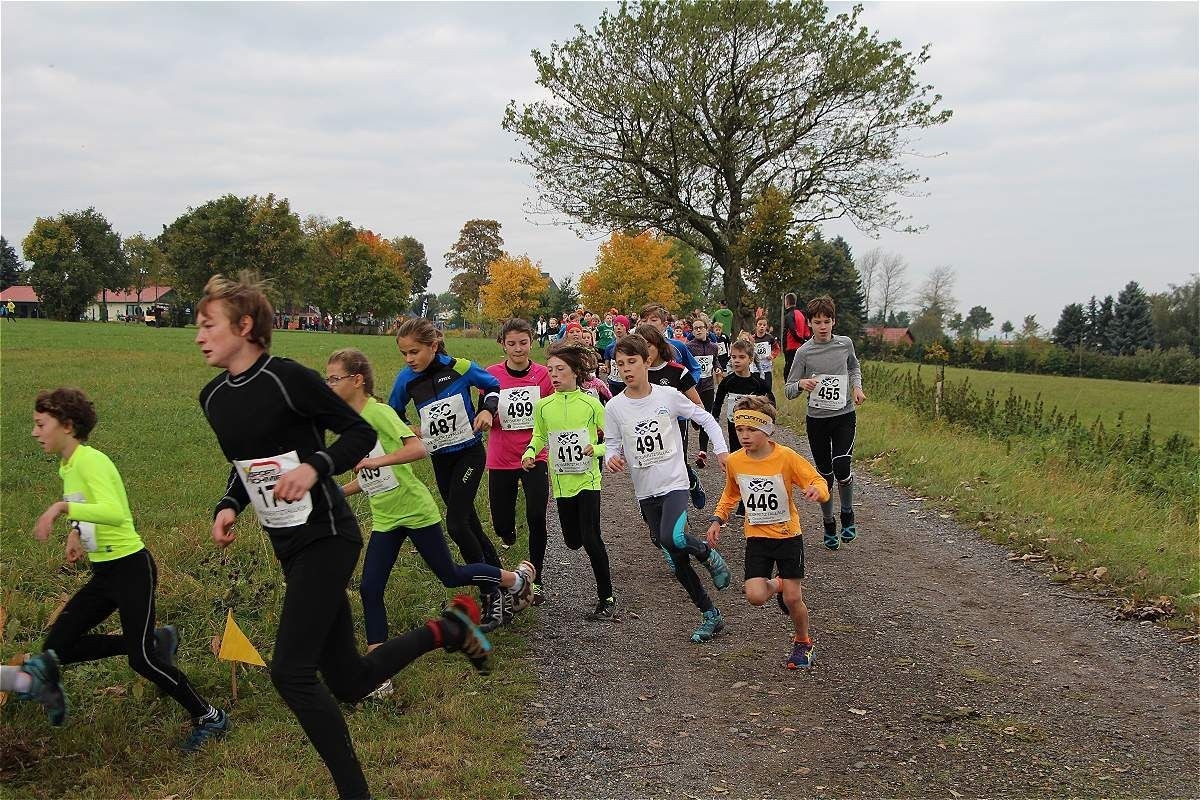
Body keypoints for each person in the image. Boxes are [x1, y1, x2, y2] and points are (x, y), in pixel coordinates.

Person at [196, 272, 492, 800]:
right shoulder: (213, 397)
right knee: (350, 681)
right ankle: (448, 629)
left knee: (290, 671)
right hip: (287, 544)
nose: (199, 336)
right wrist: (229, 504)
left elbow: (358, 433)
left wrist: (315, 467)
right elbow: (245, 464)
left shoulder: (287, 379)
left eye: (208, 324)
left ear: (244, 326)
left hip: (328, 534)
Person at [326, 347, 534, 699]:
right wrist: (337, 493)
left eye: (334, 378)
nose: (329, 385)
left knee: (450, 574)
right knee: (370, 588)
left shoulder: (378, 413)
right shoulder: (351, 422)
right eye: (327, 379)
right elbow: (369, 474)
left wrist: (377, 462)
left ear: (357, 380)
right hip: (386, 517)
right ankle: (378, 673)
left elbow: (417, 449)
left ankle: (515, 580)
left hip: (415, 510)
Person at [30, 387, 227, 750]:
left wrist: (61, 509)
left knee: (143, 661)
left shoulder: (91, 461)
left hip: (131, 569)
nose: (34, 432)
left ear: (67, 426)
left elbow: (115, 512)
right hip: (105, 573)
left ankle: (210, 717)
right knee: (58, 649)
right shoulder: (68, 465)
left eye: (41, 424)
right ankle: (157, 641)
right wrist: (75, 533)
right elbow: (88, 505)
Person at [603, 333, 733, 644]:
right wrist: (611, 458)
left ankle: (707, 553)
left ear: (647, 361)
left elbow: (705, 418)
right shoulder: (615, 407)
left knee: (672, 537)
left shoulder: (668, 396)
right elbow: (611, 444)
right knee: (675, 557)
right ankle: (710, 614)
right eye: (620, 364)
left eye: (632, 362)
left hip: (675, 482)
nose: (626, 369)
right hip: (645, 491)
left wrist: (721, 449)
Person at [389, 317, 510, 629]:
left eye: (414, 352)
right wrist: (411, 429)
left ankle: (490, 594)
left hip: (469, 454)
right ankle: (507, 587)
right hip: (441, 459)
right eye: (404, 353)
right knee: (470, 525)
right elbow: (392, 413)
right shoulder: (406, 379)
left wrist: (486, 410)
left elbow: (492, 386)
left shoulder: (459, 367)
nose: (409, 359)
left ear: (433, 346)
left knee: (456, 524)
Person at [705, 396, 828, 669]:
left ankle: (803, 642)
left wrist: (817, 492)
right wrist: (717, 520)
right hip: (757, 537)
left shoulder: (786, 457)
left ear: (768, 429)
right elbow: (730, 494)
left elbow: (817, 480)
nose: (744, 436)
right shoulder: (736, 461)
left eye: (752, 429)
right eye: (739, 429)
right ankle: (779, 583)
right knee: (755, 596)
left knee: (793, 598)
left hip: (787, 536)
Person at [522, 341, 615, 618]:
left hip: (588, 479)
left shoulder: (590, 404)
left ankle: (607, 598)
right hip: (562, 483)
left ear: (575, 372)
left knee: (591, 537)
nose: (554, 375)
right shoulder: (543, 406)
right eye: (550, 369)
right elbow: (539, 436)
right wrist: (530, 452)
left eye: (560, 369)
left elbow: (613, 440)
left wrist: (596, 449)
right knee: (573, 541)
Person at [784, 294, 867, 551]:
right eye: (817, 322)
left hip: (844, 415)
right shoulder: (803, 352)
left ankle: (847, 514)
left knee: (842, 465)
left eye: (827, 321)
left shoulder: (845, 344)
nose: (822, 327)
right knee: (825, 476)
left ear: (834, 322)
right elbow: (788, 389)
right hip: (817, 420)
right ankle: (829, 522)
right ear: (809, 323)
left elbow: (854, 368)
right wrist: (801, 384)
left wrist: (857, 387)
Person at [485, 319, 553, 603]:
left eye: (523, 343)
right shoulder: (491, 375)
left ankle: (537, 579)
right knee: (502, 524)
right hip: (501, 455)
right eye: (511, 343)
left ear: (531, 343)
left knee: (537, 516)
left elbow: (550, 410)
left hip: (535, 454)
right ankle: (508, 533)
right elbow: (485, 409)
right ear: (503, 344)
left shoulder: (542, 375)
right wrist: (487, 415)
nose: (518, 349)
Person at [633, 323, 707, 509]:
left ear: (659, 345)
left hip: (675, 424)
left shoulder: (677, 371)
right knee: (650, 467)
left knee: (677, 464)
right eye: (640, 347)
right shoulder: (636, 373)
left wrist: (694, 417)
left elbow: (698, 404)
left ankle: (690, 483)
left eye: (648, 345)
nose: (645, 352)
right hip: (647, 429)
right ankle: (654, 509)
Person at [713, 340, 776, 450]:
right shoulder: (727, 381)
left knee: (752, 451)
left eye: (741, 357)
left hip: (753, 425)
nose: (736, 361)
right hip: (734, 424)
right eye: (733, 357)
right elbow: (718, 402)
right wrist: (715, 420)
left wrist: (771, 422)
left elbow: (771, 402)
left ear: (750, 360)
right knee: (736, 451)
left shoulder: (758, 383)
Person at [685, 317, 722, 469]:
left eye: (701, 327)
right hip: (693, 387)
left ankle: (703, 452)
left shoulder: (713, 347)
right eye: (696, 328)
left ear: (707, 329)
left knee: (707, 416)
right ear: (693, 332)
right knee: (695, 417)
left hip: (707, 386)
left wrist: (718, 368)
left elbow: (715, 361)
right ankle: (695, 421)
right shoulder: (689, 347)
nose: (699, 330)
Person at [599, 314, 631, 397]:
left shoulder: (632, 346)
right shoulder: (609, 347)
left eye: (622, 325)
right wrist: (605, 369)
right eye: (616, 325)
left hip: (628, 382)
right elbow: (607, 368)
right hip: (613, 383)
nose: (618, 328)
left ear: (627, 328)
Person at [782, 293, 812, 379]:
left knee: (788, 370)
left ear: (786, 302)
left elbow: (792, 330)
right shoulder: (802, 314)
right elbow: (807, 331)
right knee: (799, 368)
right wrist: (805, 341)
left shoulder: (789, 315)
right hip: (801, 347)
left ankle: (789, 385)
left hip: (790, 347)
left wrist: (800, 340)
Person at [751, 316, 781, 393]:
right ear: (756, 325)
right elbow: (748, 350)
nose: (762, 327)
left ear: (766, 326)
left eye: (764, 325)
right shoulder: (752, 338)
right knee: (756, 389)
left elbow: (777, 348)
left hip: (767, 368)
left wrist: (772, 355)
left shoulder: (770, 338)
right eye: (760, 324)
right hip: (755, 369)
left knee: (767, 388)